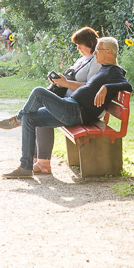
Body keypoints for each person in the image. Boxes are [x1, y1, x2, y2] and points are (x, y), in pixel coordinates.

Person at [0, 37, 133, 179]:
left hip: (77, 111)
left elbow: (128, 86)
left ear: (109, 52)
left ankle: (18, 119)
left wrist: (106, 87)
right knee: (29, 118)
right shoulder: (105, 68)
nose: (95, 53)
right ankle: (25, 167)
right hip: (71, 107)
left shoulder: (114, 72)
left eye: (98, 50)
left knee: (38, 92)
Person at [33, 26, 100, 174]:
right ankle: (38, 160)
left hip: (79, 108)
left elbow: (91, 88)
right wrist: (59, 80)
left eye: (79, 44)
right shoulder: (82, 60)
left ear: (89, 42)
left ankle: (43, 163)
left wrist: (66, 84)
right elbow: (70, 76)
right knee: (36, 113)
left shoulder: (96, 61)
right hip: (68, 102)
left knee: (39, 116)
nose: (78, 48)